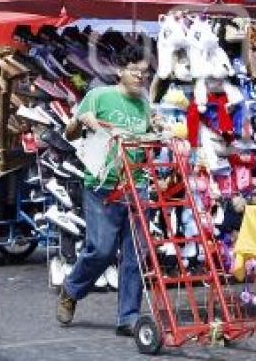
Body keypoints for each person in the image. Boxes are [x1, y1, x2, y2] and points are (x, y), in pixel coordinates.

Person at [56, 46, 154, 336]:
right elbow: (70, 134)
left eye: (144, 73)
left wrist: (159, 128)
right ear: (120, 71)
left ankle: (128, 317)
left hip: (136, 185)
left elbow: (148, 137)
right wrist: (79, 121)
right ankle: (71, 290)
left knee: (137, 253)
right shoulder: (99, 96)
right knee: (101, 250)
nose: (140, 77)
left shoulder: (145, 104)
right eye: (135, 71)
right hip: (102, 185)